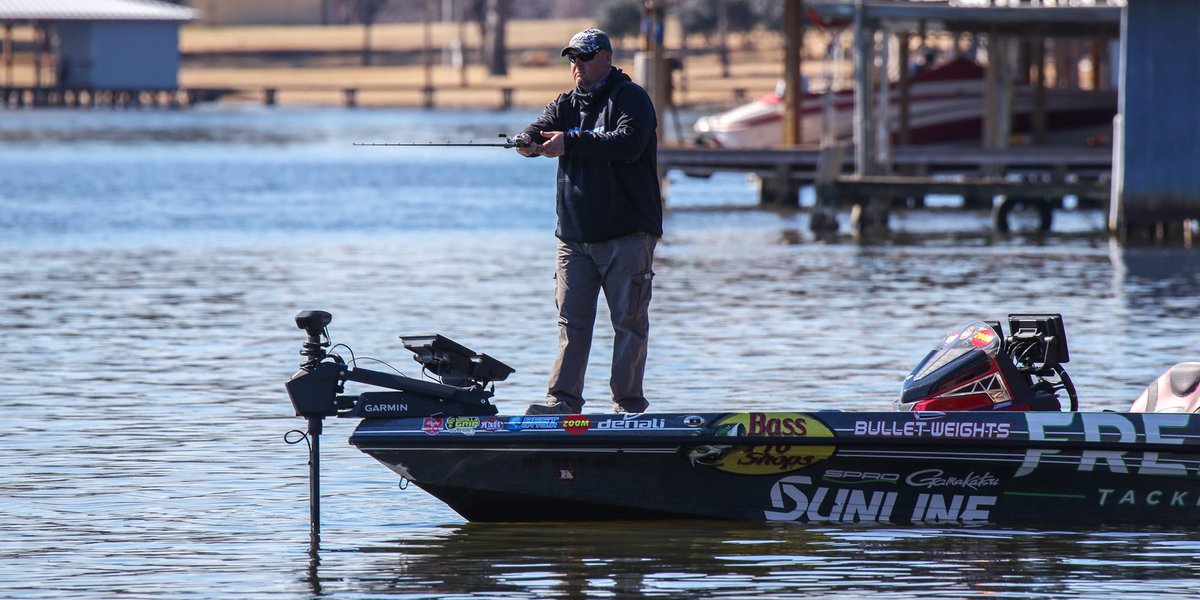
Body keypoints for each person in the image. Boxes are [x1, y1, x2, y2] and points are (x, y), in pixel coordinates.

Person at [514, 28, 663, 415]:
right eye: (571, 59)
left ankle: (628, 405)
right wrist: (526, 140)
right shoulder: (566, 103)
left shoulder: (631, 98)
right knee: (571, 325)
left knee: (628, 324)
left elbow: (628, 144)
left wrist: (571, 142)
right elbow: (539, 125)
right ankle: (562, 402)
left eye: (583, 56)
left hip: (627, 236)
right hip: (574, 239)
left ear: (606, 58)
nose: (575, 65)